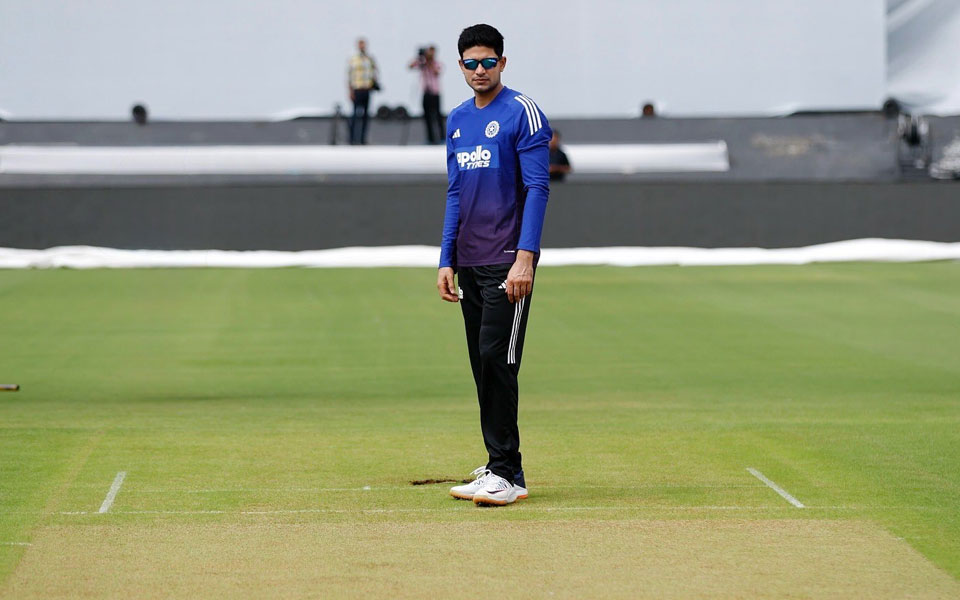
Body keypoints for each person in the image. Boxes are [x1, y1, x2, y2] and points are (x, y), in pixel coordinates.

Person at [437, 24, 551, 507]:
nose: (479, 70)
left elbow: (539, 188)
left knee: (497, 360)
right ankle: (504, 467)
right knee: (481, 364)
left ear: (502, 62)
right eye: (471, 63)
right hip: (469, 260)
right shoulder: (457, 120)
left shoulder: (522, 112)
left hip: (508, 261)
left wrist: (526, 258)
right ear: (460, 66)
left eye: (488, 62)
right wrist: (446, 258)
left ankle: (505, 472)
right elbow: (455, 191)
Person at [408, 45, 444, 144]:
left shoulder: (436, 63)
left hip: (435, 93)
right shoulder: (422, 63)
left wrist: (429, 62)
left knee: (438, 116)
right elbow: (410, 66)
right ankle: (430, 138)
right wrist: (419, 58)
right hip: (426, 93)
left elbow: (437, 72)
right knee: (427, 116)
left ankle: (442, 137)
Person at [347, 38, 378, 145]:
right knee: (355, 115)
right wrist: (350, 91)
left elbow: (374, 72)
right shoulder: (353, 59)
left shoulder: (369, 59)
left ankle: (362, 139)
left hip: (366, 89)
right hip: (357, 89)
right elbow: (349, 76)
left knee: (365, 116)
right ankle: (352, 138)